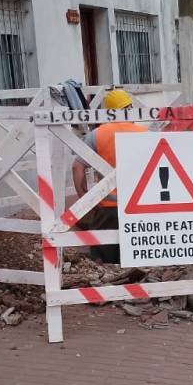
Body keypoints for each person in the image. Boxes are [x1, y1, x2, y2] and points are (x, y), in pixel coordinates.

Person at [72, 88, 147, 263]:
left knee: (105, 263)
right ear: (129, 108)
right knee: (138, 260)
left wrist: (84, 198)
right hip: (140, 206)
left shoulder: (97, 135)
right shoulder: (144, 133)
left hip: (107, 208)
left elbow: (77, 168)